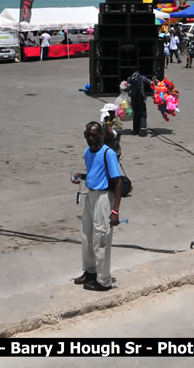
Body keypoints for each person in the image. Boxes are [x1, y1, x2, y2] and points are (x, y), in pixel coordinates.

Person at [71, 121, 123, 292]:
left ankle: (104, 280)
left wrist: (115, 211)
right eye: (88, 135)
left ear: (101, 135)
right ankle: (90, 271)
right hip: (90, 195)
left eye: (95, 135)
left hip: (103, 199)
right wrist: (83, 176)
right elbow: (95, 172)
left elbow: (118, 182)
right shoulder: (87, 152)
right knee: (86, 236)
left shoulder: (108, 153)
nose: (91, 138)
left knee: (100, 239)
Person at [126, 70, 152, 137]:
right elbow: (151, 83)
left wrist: (124, 87)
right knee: (143, 114)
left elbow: (127, 89)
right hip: (141, 99)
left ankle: (135, 130)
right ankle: (142, 130)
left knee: (136, 114)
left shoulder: (129, 78)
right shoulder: (142, 78)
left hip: (134, 100)